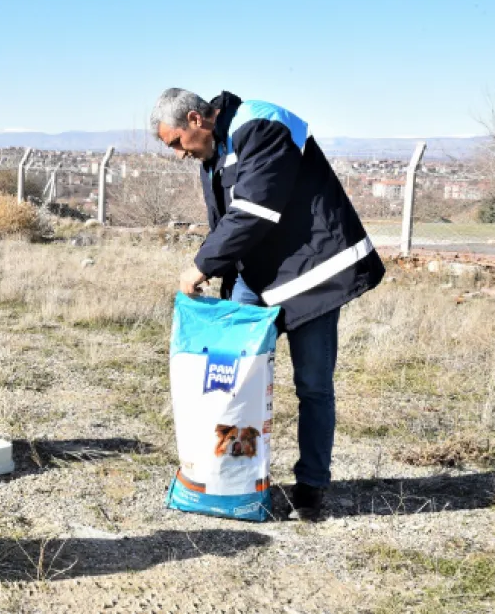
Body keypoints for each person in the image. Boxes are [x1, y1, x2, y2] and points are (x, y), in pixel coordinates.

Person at [149, 88, 385, 521]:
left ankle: (311, 488)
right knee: (232, 382)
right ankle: (233, 476)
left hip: (313, 277)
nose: (179, 155)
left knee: (313, 384)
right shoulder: (214, 152)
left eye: (176, 143)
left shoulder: (260, 125)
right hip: (255, 277)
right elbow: (224, 222)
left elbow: (255, 210)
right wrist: (224, 280)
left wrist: (199, 266)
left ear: (196, 121)